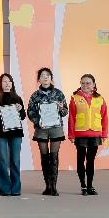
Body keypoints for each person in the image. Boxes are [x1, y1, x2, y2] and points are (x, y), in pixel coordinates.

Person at [27, 67, 68, 196]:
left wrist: (61, 108)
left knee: (54, 156)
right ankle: (47, 186)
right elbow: (30, 112)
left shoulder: (58, 93)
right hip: (41, 129)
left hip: (56, 128)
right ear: (39, 79)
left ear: (51, 78)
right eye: (42, 75)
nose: (45, 77)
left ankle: (54, 186)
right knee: (44, 157)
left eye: (48, 75)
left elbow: (65, 112)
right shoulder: (35, 95)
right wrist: (38, 121)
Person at [68, 74, 109, 196]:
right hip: (80, 133)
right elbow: (71, 118)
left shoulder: (100, 99)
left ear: (94, 84)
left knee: (90, 161)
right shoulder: (75, 98)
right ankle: (83, 186)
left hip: (95, 134)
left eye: (88, 83)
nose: (85, 85)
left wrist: (104, 134)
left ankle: (90, 186)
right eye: (83, 83)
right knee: (80, 159)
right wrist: (71, 135)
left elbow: (104, 117)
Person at [0, 73, 26, 196]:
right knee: (3, 160)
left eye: (9, 81)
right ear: (0, 84)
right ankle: (5, 188)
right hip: (0, 134)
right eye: (4, 81)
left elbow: (23, 116)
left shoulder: (17, 98)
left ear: (12, 83)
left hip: (16, 133)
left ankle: (16, 188)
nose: (7, 84)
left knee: (15, 160)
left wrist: (20, 109)